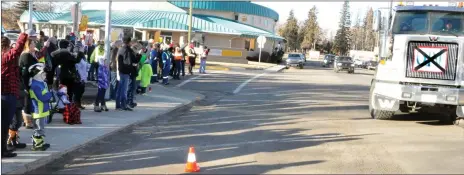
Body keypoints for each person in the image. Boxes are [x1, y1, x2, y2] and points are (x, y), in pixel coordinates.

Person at [1, 32, 28, 158]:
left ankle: (4, 148)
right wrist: (23, 33)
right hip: (7, 95)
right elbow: (17, 49)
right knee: (4, 124)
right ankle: (2, 150)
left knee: (5, 124)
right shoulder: (5, 57)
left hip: (5, 94)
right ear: (6, 47)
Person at [19, 33, 51, 129]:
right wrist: (39, 68)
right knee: (27, 102)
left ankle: (30, 120)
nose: (34, 45)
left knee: (31, 101)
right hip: (27, 83)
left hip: (33, 81)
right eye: (32, 44)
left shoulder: (31, 55)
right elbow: (27, 71)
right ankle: (27, 121)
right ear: (28, 45)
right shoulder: (26, 55)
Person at [28, 63, 52, 151]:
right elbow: (42, 98)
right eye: (43, 73)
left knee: (41, 128)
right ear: (37, 74)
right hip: (39, 111)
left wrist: (48, 94)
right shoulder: (35, 85)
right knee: (38, 128)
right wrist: (50, 94)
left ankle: (40, 142)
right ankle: (37, 145)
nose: (45, 75)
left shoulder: (41, 83)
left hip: (42, 110)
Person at [116, 36, 134, 111]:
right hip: (125, 71)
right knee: (124, 89)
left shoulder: (120, 49)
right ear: (129, 42)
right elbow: (129, 61)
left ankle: (118, 105)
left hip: (121, 71)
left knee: (120, 89)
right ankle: (123, 105)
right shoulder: (127, 50)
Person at [92, 41, 110, 112]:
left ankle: (102, 103)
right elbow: (94, 60)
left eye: (103, 44)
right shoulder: (97, 50)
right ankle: (96, 104)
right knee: (101, 88)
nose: (102, 45)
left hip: (105, 69)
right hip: (100, 69)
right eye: (101, 44)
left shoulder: (105, 50)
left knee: (104, 88)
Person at [127, 39, 142, 108]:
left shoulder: (133, 51)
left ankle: (130, 101)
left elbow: (135, 62)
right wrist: (139, 54)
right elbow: (135, 61)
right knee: (130, 87)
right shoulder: (131, 51)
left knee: (132, 88)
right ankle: (129, 102)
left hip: (133, 72)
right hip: (131, 72)